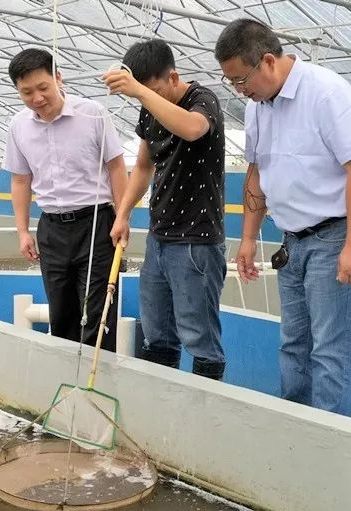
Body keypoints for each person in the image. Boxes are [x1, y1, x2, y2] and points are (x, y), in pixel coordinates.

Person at [215, 19, 351, 415]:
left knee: (330, 351)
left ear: (268, 61)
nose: (240, 90)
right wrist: (248, 239)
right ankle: (295, 429)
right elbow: (256, 173)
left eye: (241, 80)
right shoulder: (257, 107)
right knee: (294, 344)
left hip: (334, 237)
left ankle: (328, 443)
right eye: (232, 83)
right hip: (292, 241)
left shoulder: (326, 93)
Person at [103, 39, 227, 380]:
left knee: (200, 338)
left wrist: (143, 94)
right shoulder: (151, 108)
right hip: (160, 239)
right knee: (157, 333)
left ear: (173, 77)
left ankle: (203, 411)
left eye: (154, 89)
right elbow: (143, 167)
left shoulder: (204, 100)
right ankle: (163, 405)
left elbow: (191, 128)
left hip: (196, 242)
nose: (148, 98)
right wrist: (123, 214)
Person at [3, 48, 127, 351]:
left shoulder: (93, 113)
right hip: (52, 228)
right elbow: (21, 180)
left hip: (96, 223)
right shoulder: (18, 126)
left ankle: (96, 384)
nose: (37, 98)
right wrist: (22, 231)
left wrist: (123, 218)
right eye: (26, 92)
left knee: (97, 314)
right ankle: (65, 382)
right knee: (61, 314)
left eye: (43, 87)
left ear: (58, 78)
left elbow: (116, 167)